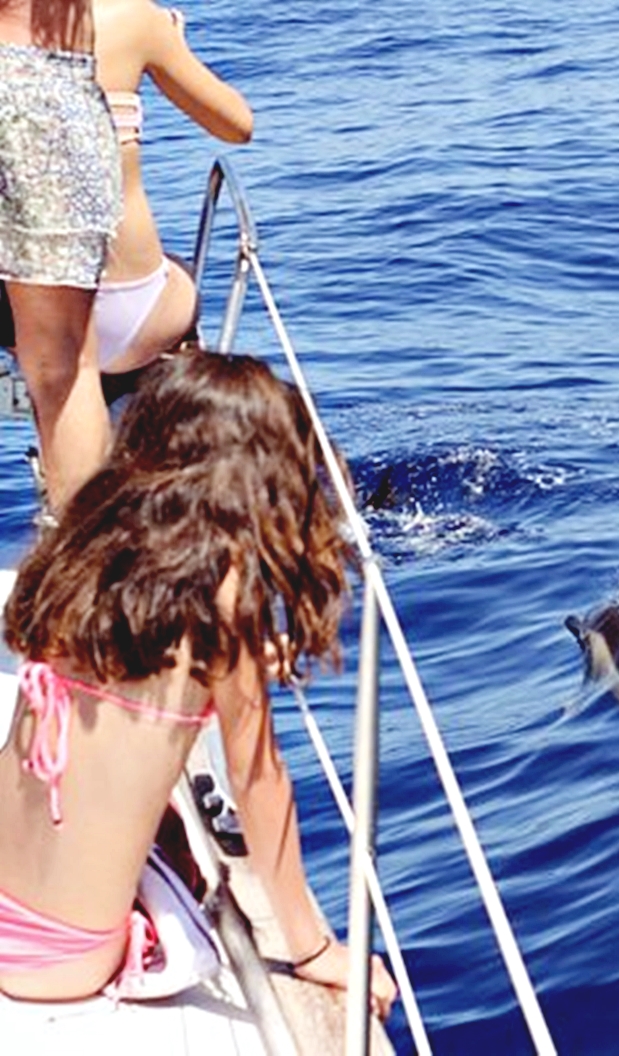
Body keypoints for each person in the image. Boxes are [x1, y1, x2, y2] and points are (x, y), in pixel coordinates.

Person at [0, 352, 397, 1019]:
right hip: (51, 957)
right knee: (184, 853)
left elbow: (132, 678)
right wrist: (312, 950)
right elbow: (260, 784)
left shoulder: (88, 543)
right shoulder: (221, 602)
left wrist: (231, 672)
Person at [1, 0, 122, 512]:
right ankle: (87, 558)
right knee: (65, 368)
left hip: (33, 78)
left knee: (62, 367)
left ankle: (84, 549)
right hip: (40, 80)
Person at [91, 0, 253, 375]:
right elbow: (237, 125)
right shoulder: (130, 17)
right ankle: (168, 414)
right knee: (176, 275)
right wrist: (169, 46)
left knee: (49, 348)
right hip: (126, 307)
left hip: (21, 312)